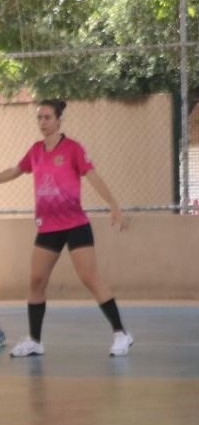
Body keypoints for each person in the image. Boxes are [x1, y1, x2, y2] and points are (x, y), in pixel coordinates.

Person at [0, 99, 133, 358]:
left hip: (75, 224)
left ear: (59, 120)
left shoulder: (73, 149)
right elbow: (15, 170)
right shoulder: (35, 150)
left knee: (89, 277)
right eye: (39, 117)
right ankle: (35, 341)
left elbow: (93, 177)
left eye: (47, 117)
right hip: (48, 227)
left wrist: (114, 206)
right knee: (36, 281)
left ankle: (121, 334)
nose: (42, 122)